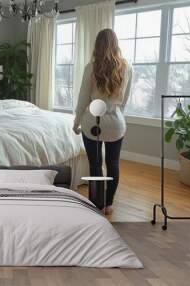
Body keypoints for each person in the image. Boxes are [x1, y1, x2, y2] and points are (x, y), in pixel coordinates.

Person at [73, 28, 133, 215]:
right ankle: (109, 204)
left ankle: (96, 204)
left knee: (95, 164)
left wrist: (76, 121)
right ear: (116, 44)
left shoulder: (91, 67)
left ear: (97, 45)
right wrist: (116, 114)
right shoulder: (127, 67)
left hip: (93, 122)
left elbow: (83, 98)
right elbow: (125, 99)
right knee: (113, 163)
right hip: (116, 122)